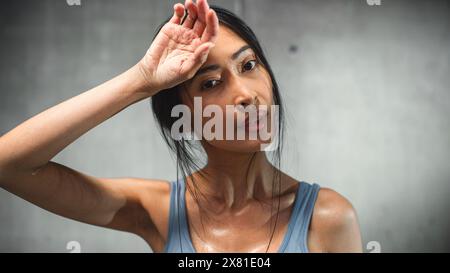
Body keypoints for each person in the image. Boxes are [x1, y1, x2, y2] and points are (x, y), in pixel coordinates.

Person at [0, 0, 362, 253]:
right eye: (210, 83)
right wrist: (141, 80)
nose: (246, 96)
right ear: (182, 114)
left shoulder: (327, 217)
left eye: (248, 65)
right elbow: (9, 164)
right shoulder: (157, 210)